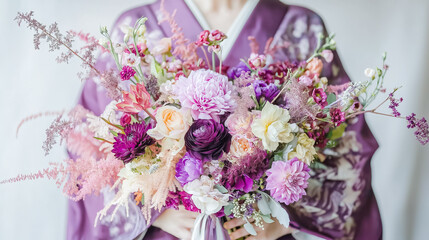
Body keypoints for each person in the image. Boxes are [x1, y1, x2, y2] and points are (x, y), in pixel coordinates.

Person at [67, 0, 383, 239]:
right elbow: (91, 143)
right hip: (173, 232)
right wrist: (151, 209)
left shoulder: (301, 28)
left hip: (259, 231)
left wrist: (278, 221)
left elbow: (345, 143)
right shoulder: (138, 27)